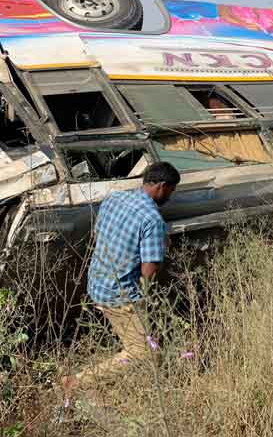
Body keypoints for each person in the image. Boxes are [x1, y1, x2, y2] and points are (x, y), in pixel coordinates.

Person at [66, 161, 180, 389]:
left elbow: (99, 234)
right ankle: (76, 383)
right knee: (144, 354)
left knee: (142, 337)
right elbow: (150, 267)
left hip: (97, 283)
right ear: (162, 186)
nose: (170, 196)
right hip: (119, 295)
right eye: (171, 191)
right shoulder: (152, 219)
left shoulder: (114, 198)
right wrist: (144, 296)